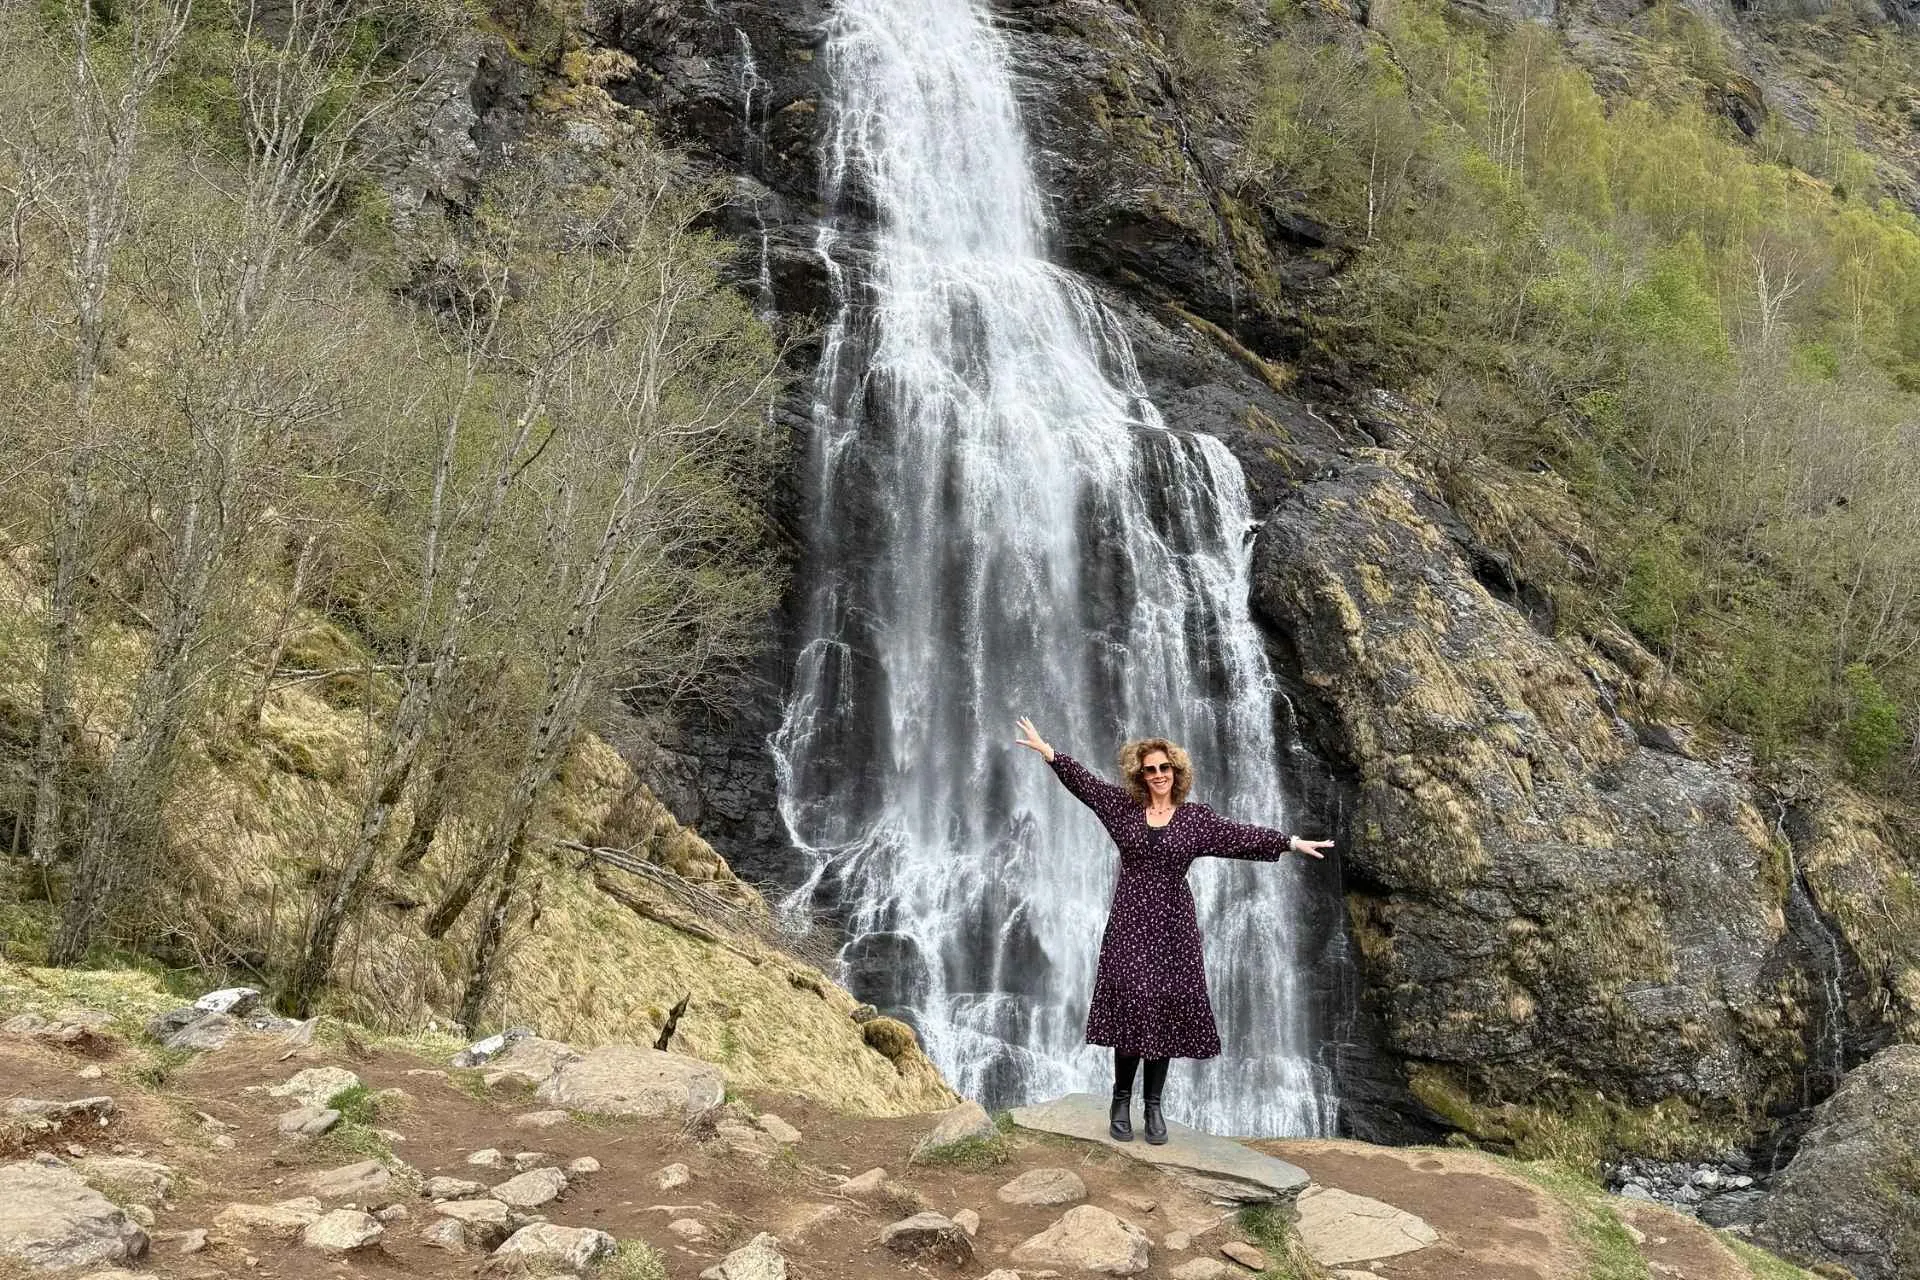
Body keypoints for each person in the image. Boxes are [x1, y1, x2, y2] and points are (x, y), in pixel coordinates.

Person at [1014, 716, 1332, 1145]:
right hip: (1129, 921)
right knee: (1130, 1003)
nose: (1158, 775)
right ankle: (1121, 1100)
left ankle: (1154, 1106)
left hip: (1172, 927)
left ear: (1176, 772)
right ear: (1139, 775)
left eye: (1165, 768)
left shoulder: (1194, 820)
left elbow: (1238, 837)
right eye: (1150, 769)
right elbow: (1086, 787)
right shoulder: (1123, 809)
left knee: (1162, 1008)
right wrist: (1049, 752)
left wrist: (1290, 842)